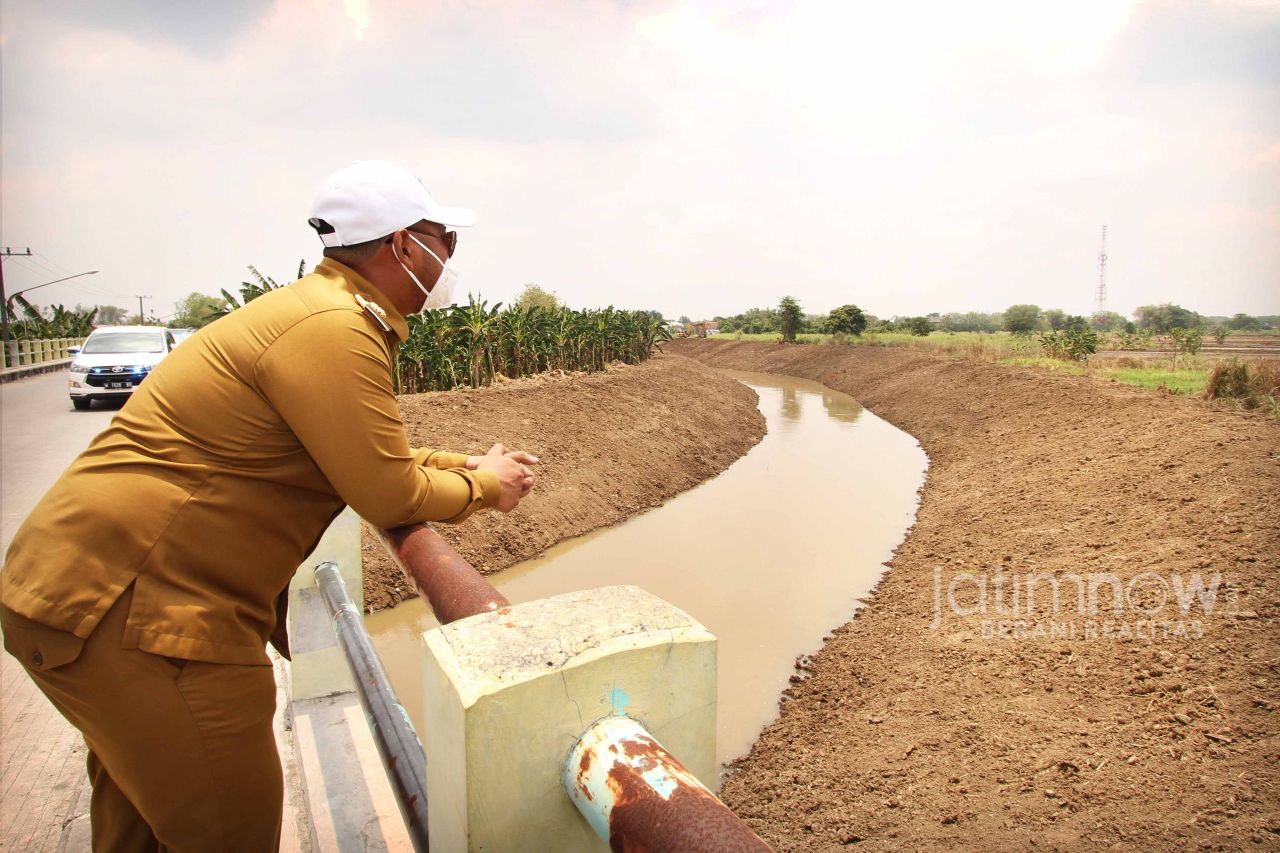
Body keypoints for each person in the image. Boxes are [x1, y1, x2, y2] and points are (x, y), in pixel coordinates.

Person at [0, 160, 536, 851]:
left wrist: (465, 466)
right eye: (446, 241)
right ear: (404, 244)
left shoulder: (313, 313)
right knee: (231, 831)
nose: (449, 259)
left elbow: (358, 456)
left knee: (140, 834)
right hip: (142, 615)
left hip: (78, 595)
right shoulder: (335, 328)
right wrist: (487, 489)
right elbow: (387, 490)